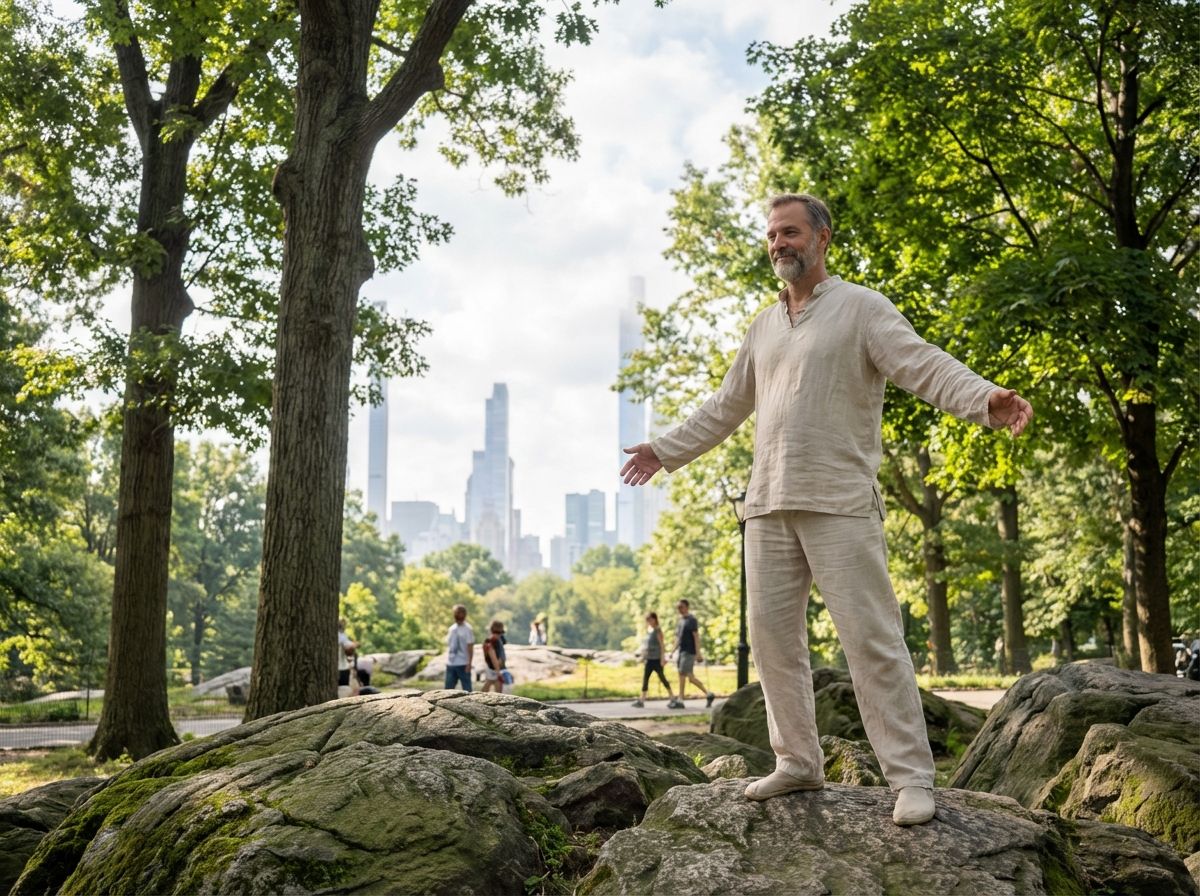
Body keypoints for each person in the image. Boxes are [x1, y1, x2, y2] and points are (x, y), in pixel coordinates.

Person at [620, 193, 1032, 827]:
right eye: (771, 235)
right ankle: (798, 762)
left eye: (790, 232)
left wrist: (986, 399)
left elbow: (922, 364)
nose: (779, 243)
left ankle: (912, 776)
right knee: (773, 643)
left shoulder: (862, 308)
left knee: (872, 639)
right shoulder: (762, 325)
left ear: (822, 239)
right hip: (767, 506)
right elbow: (726, 407)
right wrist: (664, 449)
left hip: (839, 502)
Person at [669, 600, 715, 709]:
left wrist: (698, 653)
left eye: (682, 607)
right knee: (685, 675)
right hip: (681, 651)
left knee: (685, 674)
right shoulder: (681, 621)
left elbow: (696, 636)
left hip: (689, 652)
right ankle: (707, 694)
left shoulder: (691, 620)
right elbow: (678, 637)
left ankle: (682, 699)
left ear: (687, 607)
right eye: (678, 607)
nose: (680, 609)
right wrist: (672, 651)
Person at [632, 612, 675, 708]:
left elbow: (662, 645)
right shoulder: (649, 631)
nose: (649, 622)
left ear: (655, 619)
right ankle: (641, 700)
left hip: (656, 659)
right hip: (649, 658)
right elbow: (646, 645)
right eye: (648, 620)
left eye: (651, 619)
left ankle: (672, 697)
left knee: (662, 678)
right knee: (645, 679)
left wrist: (662, 658)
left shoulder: (657, 630)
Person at [445, 604, 474, 691]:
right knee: (448, 690)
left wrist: (469, 663)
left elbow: (470, 646)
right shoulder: (452, 629)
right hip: (451, 663)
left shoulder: (467, 628)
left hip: (463, 663)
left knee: (467, 689)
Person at [482, 620, 507, 693]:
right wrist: (499, 671)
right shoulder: (491, 642)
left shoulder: (494, 640)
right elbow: (494, 658)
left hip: (492, 667)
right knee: (496, 686)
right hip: (495, 667)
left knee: (489, 682)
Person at [337, 618, 358, 691]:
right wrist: (355, 644)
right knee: (344, 689)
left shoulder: (342, 635)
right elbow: (349, 646)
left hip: (341, 666)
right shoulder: (340, 635)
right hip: (341, 667)